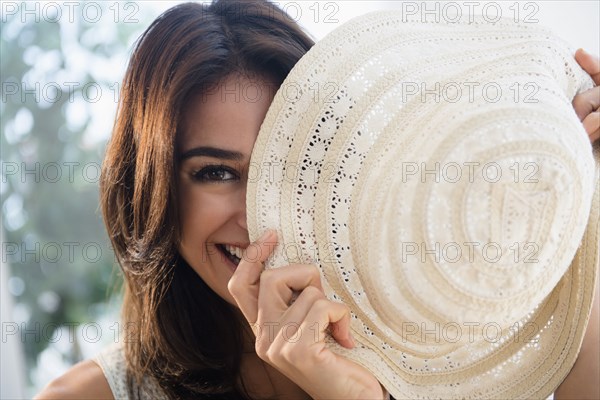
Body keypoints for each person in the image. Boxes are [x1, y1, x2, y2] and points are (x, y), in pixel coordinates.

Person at [35, 1, 600, 399]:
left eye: (291, 166)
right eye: (215, 172)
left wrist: (577, 193)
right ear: (153, 192)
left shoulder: (461, 345)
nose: (261, 211)